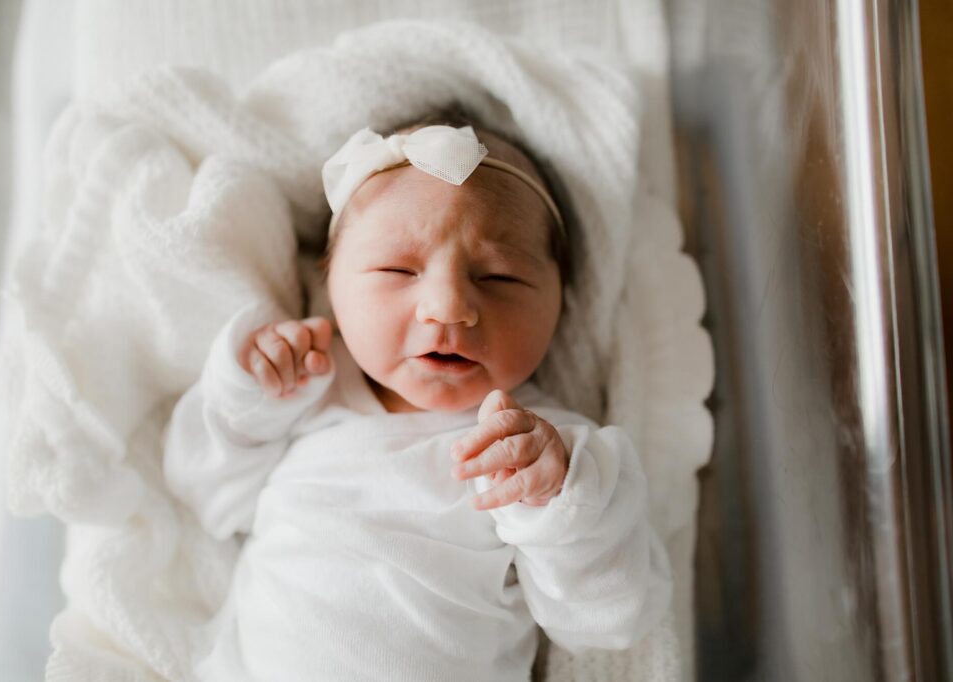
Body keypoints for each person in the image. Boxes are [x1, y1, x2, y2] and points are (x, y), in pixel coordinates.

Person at [163, 113, 672, 681]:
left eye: (499, 277)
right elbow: (202, 496)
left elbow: (609, 620)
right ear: (330, 282)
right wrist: (245, 398)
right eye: (397, 269)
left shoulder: (541, 455)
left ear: (561, 303)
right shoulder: (310, 393)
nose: (448, 305)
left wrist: (560, 503)